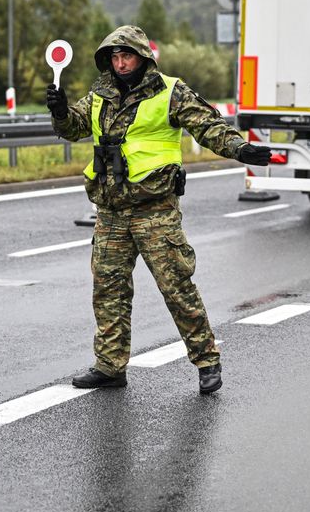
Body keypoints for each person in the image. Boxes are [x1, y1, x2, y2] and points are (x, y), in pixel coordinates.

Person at [46, 25, 271, 393]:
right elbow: (74, 128)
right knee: (109, 290)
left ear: (142, 57)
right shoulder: (100, 94)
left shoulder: (170, 91)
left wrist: (240, 149)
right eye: (114, 57)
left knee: (176, 287)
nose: (120, 63)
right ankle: (110, 367)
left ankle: (206, 361)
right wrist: (60, 111)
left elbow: (208, 126)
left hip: (155, 210)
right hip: (112, 211)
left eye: (126, 56)